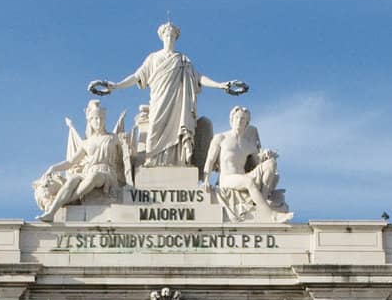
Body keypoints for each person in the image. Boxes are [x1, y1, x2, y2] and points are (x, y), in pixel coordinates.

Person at [90, 22, 245, 168]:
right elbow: (136, 76)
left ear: (176, 37)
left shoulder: (182, 59)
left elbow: (199, 78)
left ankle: (178, 163)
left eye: (172, 35)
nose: (169, 37)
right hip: (159, 99)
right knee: (154, 128)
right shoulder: (153, 58)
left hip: (178, 103)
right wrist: (116, 85)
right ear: (162, 37)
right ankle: (152, 160)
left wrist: (220, 85)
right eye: (166, 34)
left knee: (178, 131)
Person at [34, 100, 131, 220]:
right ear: (90, 121)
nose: (98, 121)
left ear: (104, 119)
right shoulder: (86, 143)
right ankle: (52, 213)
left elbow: (127, 156)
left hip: (107, 174)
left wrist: (127, 142)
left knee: (94, 176)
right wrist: (53, 168)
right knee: (73, 179)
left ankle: (62, 203)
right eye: (95, 119)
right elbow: (70, 162)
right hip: (88, 172)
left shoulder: (113, 138)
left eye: (101, 118)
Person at [204, 107, 293, 221]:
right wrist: (206, 179)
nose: (239, 121)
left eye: (243, 119)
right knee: (248, 181)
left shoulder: (248, 145)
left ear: (246, 123)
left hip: (243, 177)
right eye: (236, 118)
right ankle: (271, 214)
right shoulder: (221, 138)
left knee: (271, 164)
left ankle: (262, 200)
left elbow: (257, 164)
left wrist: (267, 156)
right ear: (231, 119)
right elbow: (210, 160)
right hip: (227, 179)